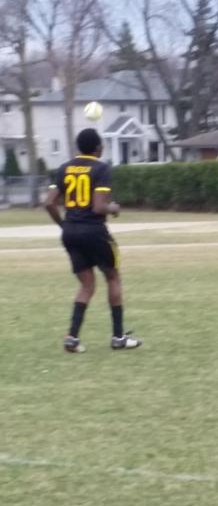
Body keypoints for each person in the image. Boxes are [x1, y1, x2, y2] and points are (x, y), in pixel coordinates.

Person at [44, 128, 142, 353]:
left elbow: (49, 203)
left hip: (71, 233)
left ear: (79, 147)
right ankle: (118, 338)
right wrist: (113, 208)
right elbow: (98, 207)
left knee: (87, 285)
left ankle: (72, 338)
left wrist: (64, 225)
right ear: (98, 147)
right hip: (94, 231)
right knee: (113, 277)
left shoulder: (64, 167)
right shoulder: (101, 168)